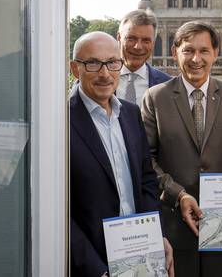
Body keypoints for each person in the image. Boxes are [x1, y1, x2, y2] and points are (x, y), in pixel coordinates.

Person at [141, 21, 222, 277]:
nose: (196, 59)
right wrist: (178, 194)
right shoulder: (155, 97)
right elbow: (147, 160)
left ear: (215, 53)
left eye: (204, 51)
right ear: (174, 52)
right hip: (174, 224)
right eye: (188, 50)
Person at [69, 31, 174, 277]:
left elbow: (147, 182)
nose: (105, 73)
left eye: (113, 63)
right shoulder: (60, 122)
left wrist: (157, 236)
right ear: (75, 69)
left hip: (139, 256)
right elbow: (59, 212)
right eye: (93, 63)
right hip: (92, 262)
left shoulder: (130, 113)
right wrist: (96, 270)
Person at [116, 9, 171, 105]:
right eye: (131, 38)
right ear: (119, 38)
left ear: (153, 43)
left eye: (146, 40)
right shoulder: (100, 79)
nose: (138, 47)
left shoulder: (168, 85)